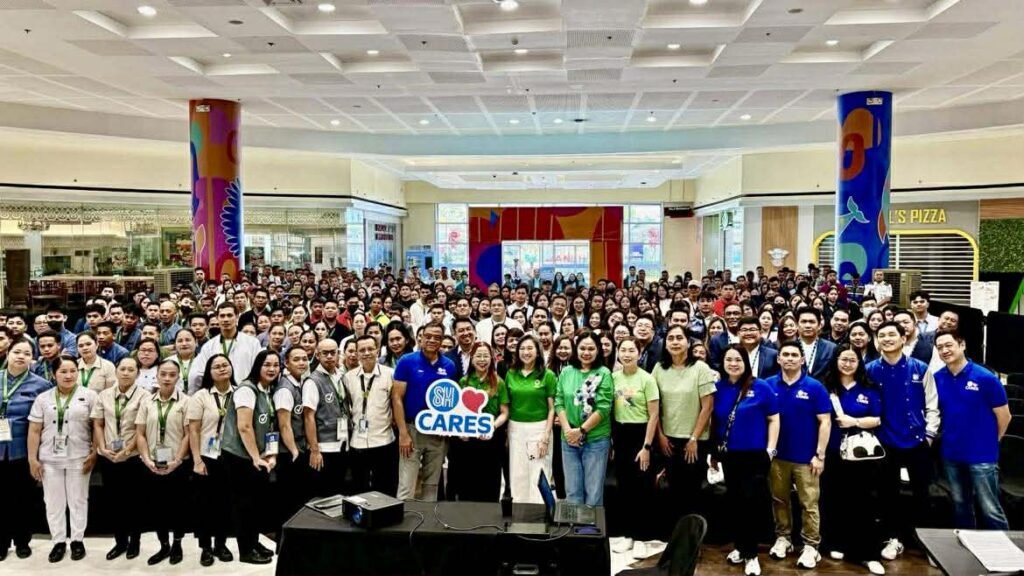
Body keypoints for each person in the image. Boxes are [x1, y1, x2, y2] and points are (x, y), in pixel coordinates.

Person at [866, 320, 939, 562]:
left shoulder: (920, 368)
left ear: (903, 338)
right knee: (888, 494)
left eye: (891, 334)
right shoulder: (870, 370)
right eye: (882, 335)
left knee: (922, 495)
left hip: (917, 441)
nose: (887, 339)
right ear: (877, 341)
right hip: (885, 441)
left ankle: (926, 543)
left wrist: (929, 435)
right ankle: (893, 538)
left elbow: (932, 404)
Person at [933, 330, 1011, 530]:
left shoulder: (985, 377)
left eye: (948, 345)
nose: (944, 350)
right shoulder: (937, 378)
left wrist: (993, 441)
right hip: (951, 453)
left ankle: (1003, 547)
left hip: (982, 454)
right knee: (960, 505)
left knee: (989, 508)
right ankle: (966, 542)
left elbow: (1004, 416)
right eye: (940, 347)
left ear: (962, 345)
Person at [712, 345, 779, 576]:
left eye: (738, 359)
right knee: (735, 502)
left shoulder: (761, 386)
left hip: (755, 455)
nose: (733, 364)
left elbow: (774, 419)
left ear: (746, 362)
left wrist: (770, 450)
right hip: (730, 455)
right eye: (728, 359)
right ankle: (740, 547)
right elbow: (715, 421)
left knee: (751, 504)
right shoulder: (718, 387)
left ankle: (752, 555)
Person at [766, 340, 831, 570]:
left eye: (795, 355)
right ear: (778, 358)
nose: (790, 358)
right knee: (779, 500)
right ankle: (783, 538)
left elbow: (825, 422)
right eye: (786, 354)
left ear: (802, 360)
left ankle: (811, 545)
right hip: (777, 457)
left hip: (806, 459)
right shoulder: (768, 385)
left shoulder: (815, 387)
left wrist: (820, 455)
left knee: (809, 503)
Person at [820, 345, 885, 575]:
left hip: (860, 455)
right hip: (832, 452)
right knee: (833, 499)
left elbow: (877, 419)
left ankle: (867, 553)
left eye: (852, 360)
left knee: (863, 502)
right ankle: (835, 543)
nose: (847, 364)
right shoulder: (825, 387)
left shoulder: (869, 388)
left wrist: (854, 422)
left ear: (859, 363)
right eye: (843, 359)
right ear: (836, 360)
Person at [27, 355, 97, 563]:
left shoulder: (89, 396)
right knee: (53, 502)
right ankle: (58, 541)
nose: (68, 375)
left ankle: (77, 540)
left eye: (73, 371)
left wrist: (94, 453)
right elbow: (34, 430)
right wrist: (32, 459)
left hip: (79, 456)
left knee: (78, 500)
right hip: (49, 458)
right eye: (63, 371)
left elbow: (97, 427)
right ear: (53, 374)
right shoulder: (43, 398)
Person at [219, 351, 278, 565]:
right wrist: (255, 457)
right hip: (240, 457)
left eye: (276, 365)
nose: (272, 369)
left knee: (255, 505)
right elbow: (244, 426)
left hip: (257, 456)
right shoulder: (247, 389)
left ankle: (253, 542)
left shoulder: (266, 390)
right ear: (257, 366)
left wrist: (270, 454)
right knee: (244, 506)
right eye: (267, 364)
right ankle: (246, 551)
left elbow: (268, 425)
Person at [653, 325, 717, 522]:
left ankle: (693, 533)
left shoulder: (700, 368)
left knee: (692, 490)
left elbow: (707, 407)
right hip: (668, 439)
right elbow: (654, 407)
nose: (675, 342)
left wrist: (694, 438)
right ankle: (675, 533)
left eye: (679, 338)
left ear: (688, 342)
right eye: (670, 338)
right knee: (673, 489)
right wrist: (660, 435)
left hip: (694, 440)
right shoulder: (659, 368)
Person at [90, 356, 148, 561]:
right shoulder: (104, 395)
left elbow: (142, 430)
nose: (126, 373)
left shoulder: (145, 396)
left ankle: (135, 542)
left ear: (138, 373)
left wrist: (127, 450)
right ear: (116, 371)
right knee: (114, 501)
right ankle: (120, 541)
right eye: (122, 369)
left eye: (131, 369)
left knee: (134, 502)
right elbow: (98, 424)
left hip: (133, 457)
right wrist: (102, 448)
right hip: (109, 456)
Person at [134, 359, 191, 565]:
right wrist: (146, 459)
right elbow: (140, 433)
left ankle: (177, 544)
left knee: (178, 507)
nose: (167, 378)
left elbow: (188, 434)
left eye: (172, 375)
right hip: (152, 463)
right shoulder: (147, 402)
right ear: (156, 376)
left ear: (178, 377)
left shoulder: (186, 402)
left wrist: (177, 460)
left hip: (177, 464)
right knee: (157, 507)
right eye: (163, 374)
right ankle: (164, 545)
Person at [392, 322, 457, 501]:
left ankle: (428, 518)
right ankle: (403, 519)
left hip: (438, 432)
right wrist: (403, 433)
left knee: (432, 485)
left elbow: (452, 400)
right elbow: (396, 398)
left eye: (437, 337)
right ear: (420, 338)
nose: (432, 340)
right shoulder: (406, 361)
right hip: (412, 430)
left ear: (442, 340)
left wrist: (447, 428)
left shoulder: (449, 366)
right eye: (428, 336)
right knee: (406, 486)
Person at [0, 339, 52, 560]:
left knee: (23, 498)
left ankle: (22, 541)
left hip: (23, 451)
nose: (21, 356)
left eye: (27, 353)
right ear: (8, 354)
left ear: (33, 358)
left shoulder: (41, 385)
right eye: (17, 352)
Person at [610, 338, 660, 557]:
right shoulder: (613, 378)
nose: (627, 354)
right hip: (620, 435)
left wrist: (646, 446)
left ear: (639, 353)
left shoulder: (647, 379)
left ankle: (642, 538)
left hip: (641, 436)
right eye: (623, 350)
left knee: (642, 488)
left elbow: (654, 415)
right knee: (625, 487)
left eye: (632, 350)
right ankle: (628, 535)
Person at [187, 354, 237, 566]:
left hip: (232, 456)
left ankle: (221, 544)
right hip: (207, 457)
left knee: (225, 503)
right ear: (209, 372)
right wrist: (197, 460)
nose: (222, 369)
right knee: (205, 504)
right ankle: (205, 547)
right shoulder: (201, 396)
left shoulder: (239, 393)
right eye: (217, 366)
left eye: (225, 365)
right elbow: (193, 430)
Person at [555, 332, 614, 506]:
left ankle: (591, 524)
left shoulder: (604, 373)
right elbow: (559, 401)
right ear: (576, 349)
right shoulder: (566, 372)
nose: (586, 352)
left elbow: (604, 408)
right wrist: (568, 430)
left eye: (591, 348)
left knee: (593, 492)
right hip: (569, 439)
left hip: (596, 439)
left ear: (598, 350)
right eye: (582, 348)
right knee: (572, 492)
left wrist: (581, 431)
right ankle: (575, 524)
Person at [448, 342, 509, 502]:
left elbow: (504, 413)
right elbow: (457, 412)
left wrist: (491, 427)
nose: (482, 360)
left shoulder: (499, 382)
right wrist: (461, 431)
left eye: (486, 356)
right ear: (472, 358)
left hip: (491, 440)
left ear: (492, 358)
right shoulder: (464, 381)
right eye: (478, 356)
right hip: (468, 442)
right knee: (468, 483)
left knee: (490, 482)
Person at [505, 334, 557, 504]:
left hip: (539, 428)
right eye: (522, 348)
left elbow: (552, 408)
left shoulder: (547, 375)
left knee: (538, 471)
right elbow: (507, 405)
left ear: (537, 351)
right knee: (518, 472)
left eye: (530, 348)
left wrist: (546, 435)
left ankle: (539, 512)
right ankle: (518, 509)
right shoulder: (511, 373)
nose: (526, 352)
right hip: (515, 428)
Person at [345, 335, 398, 496]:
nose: (366, 353)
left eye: (370, 349)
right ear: (357, 353)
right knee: (359, 490)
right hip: (358, 441)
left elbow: (395, 404)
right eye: (362, 350)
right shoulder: (348, 377)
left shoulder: (390, 374)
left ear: (377, 350)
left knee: (385, 489)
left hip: (383, 440)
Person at [302, 339, 352, 498]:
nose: (329, 356)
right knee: (325, 496)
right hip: (324, 448)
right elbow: (308, 417)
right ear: (317, 355)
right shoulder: (312, 381)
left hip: (343, 444)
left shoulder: (341, 376)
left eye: (333, 352)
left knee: (339, 493)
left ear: (338, 354)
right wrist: (314, 450)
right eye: (325, 353)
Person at [189, 303, 262, 394]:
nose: (226, 319)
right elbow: (197, 374)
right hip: (216, 395)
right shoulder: (209, 346)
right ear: (217, 318)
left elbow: (259, 370)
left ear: (237, 317)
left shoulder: (252, 343)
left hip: (245, 393)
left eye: (229, 315)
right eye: (222, 316)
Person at [276, 347, 310, 521]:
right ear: (286, 363)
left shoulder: (301, 383)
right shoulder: (285, 389)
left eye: (304, 359)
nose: (302, 363)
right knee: (288, 501)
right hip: (288, 452)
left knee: (298, 499)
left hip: (299, 447)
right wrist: (294, 451)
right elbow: (284, 425)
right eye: (296, 360)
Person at [167, 329, 198, 394]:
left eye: (188, 340)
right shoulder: (167, 362)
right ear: (175, 344)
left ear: (196, 342)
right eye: (180, 341)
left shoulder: (204, 360)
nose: (184, 344)